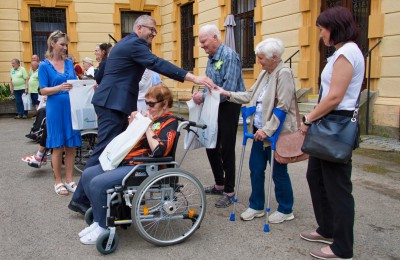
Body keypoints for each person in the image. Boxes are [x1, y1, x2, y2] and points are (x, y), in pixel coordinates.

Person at [68, 15, 215, 215]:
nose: (154, 34)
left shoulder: (123, 44)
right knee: (105, 150)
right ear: (139, 28)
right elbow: (157, 63)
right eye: (151, 30)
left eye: (155, 31)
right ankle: (81, 199)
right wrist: (192, 77)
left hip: (112, 101)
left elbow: (101, 74)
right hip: (113, 104)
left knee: (116, 149)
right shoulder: (136, 44)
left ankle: (108, 197)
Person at [299, 7, 364, 260]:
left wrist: (308, 118)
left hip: (335, 124)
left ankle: (343, 247)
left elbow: (335, 97)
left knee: (337, 187)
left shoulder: (347, 52)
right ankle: (326, 228)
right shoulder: (341, 52)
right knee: (316, 176)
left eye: (323, 29)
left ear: (335, 27)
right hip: (328, 123)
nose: (321, 34)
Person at [77, 84, 178, 245]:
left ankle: (103, 227)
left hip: (144, 167)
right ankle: (98, 221)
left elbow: (161, 150)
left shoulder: (169, 122)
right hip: (127, 161)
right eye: (147, 103)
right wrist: (133, 126)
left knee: (98, 183)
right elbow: (127, 142)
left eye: (152, 104)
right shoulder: (150, 119)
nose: (148, 107)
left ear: (165, 104)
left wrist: (146, 126)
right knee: (88, 174)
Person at [214, 38, 297, 221]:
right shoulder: (265, 73)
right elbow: (250, 94)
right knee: (256, 168)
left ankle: (286, 209)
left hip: (275, 134)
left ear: (274, 57)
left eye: (261, 58)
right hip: (258, 131)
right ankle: (256, 206)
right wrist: (227, 94)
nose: (258, 61)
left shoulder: (283, 73)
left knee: (278, 172)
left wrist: (268, 130)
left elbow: (283, 106)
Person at [192, 24, 244, 208]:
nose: (202, 46)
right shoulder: (211, 58)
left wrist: (203, 96)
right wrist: (201, 95)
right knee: (210, 143)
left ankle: (229, 191)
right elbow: (209, 85)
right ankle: (219, 184)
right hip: (213, 104)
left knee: (227, 147)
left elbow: (226, 89)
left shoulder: (229, 56)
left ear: (215, 37)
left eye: (204, 41)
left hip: (229, 104)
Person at [38, 30, 81, 196]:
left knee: (71, 146)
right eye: (62, 44)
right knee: (57, 146)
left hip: (71, 106)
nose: (65, 47)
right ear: (52, 44)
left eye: (66, 45)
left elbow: (75, 83)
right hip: (55, 107)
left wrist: (87, 86)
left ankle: (70, 180)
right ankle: (58, 181)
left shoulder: (69, 63)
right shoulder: (44, 65)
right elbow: (42, 90)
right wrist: (59, 88)